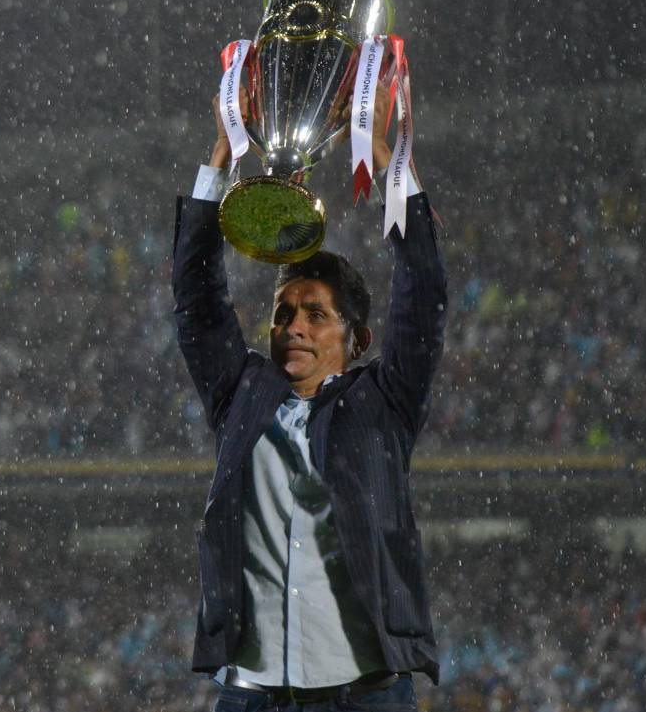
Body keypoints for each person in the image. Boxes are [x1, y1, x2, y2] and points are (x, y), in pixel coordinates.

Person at [172, 90, 449, 712]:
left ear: (358, 339)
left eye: (316, 315)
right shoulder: (241, 394)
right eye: (283, 314)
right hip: (249, 697)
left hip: (364, 698)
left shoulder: (384, 402)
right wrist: (221, 157)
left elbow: (423, 291)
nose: (293, 327)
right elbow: (195, 300)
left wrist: (384, 159)